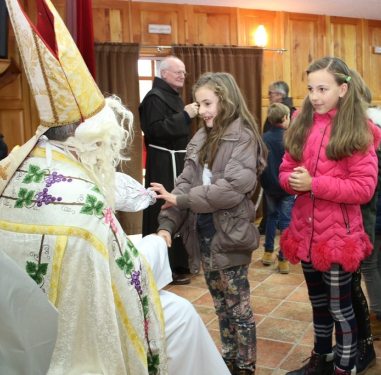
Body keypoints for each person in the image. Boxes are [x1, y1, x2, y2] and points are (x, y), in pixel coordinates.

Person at [0, 1, 230, 374]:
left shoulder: (18, 167)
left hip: (18, 328)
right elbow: (127, 278)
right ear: (85, 140)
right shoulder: (83, 200)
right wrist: (158, 241)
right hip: (74, 334)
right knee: (182, 315)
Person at [151, 72, 267, 375]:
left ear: (225, 101)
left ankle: (246, 367)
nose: (202, 110)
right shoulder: (200, 137)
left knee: (238, 309)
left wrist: (182, 201)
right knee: (220, 305)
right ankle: (227, 361)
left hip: (230, 233)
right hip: (203, 233)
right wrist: (166, 223)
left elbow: (230, 190)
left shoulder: (243, 136)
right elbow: (184, 184)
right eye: (199, 103)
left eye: (208, 103)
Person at [279, 57, 379, 375]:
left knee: (340, 307)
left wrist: (314, 184)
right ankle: (320, 358)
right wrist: (292, 181)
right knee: (319, 305)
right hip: (306, 233)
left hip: (338, 237)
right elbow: (284, 170)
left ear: (343, 89)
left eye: (323, 88)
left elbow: (363, 188)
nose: (315, 96)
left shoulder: (358, 130)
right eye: (311, 89)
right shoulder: (303, 124)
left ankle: (344, 367)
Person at [348, 70, 381, 373]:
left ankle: (379, 318)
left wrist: (359, 182)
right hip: (374, 211)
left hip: (372, 211)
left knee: (371, 266)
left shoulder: (372, 128)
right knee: (375, 265)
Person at [140, 55, 200, 285]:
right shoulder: (154, 97)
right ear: (163, 73)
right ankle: (164, 267)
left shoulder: (173, 95)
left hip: (179, 158)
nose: (182, 76)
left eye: (184, 72)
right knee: (164, 207)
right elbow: (155, 130)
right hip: (164, 162)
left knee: (181, 205)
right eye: (178, 72)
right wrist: (185, 115)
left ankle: (180, 260)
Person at [258, 80, 297, 235]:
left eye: (271, 93)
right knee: (279, 215)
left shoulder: (291, 114)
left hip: (281, 175)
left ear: (280, 95)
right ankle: (282, 253)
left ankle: (277, 249)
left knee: (280, 216)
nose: (268, 96)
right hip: (278, 175)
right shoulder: (280, 112)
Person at [260, 103, 293, 274]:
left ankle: (267, 252)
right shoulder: (290, 138)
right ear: (284, 118)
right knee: (286, 221)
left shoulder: (263, 138)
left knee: (272, 217)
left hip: (269, 187)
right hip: (287, 187)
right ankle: (283, 259)